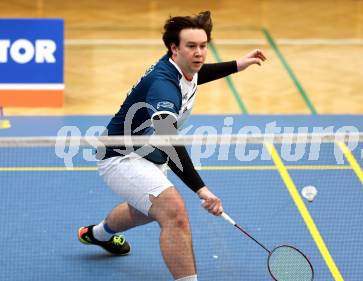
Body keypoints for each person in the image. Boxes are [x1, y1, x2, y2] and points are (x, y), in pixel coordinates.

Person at [77, 11, 266, 281]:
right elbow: (169, 139)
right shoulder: (163, 85)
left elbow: (197, 74)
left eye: (203, 46)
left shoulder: (183, 67)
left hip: (148, 152)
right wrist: (201, 190)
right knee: (174, 212)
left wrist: (238, 64)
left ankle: (97, 235)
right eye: (191, 46)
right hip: (120, 155)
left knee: (143, 211)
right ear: (174, 48)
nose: (199, 53)